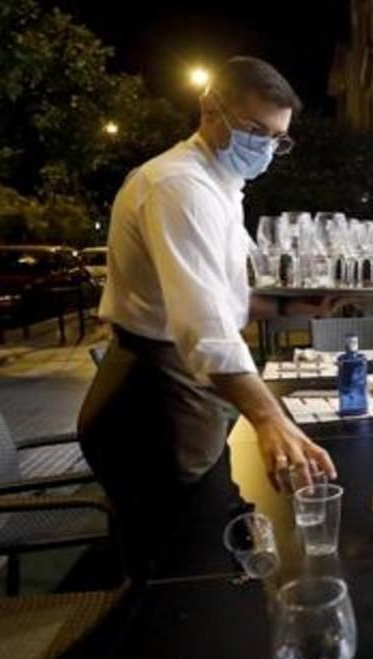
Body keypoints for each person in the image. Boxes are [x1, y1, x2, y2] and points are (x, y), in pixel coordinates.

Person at [78, 56, 337, 582]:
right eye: (254, 130)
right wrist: (269, 418)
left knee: (205, 535)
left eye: (277, 138)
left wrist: (291, 308)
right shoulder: (178, 187)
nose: (264, 147)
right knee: (177, 569)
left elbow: (226, 298)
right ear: (208, 109)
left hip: (177, 383)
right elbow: (203, 323)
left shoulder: (219, 184)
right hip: (151, 394)